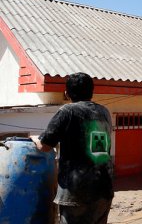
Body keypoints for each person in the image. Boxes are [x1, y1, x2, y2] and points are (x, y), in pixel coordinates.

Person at [32, 72, 114, 224]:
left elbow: (44, 146)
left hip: (77, 194)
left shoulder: (68, 111)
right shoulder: (104, 112)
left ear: (66, 93)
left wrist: (34, 138)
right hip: (104, 191)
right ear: (92, 92)